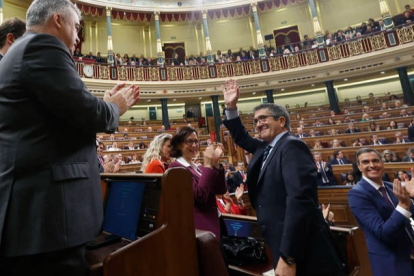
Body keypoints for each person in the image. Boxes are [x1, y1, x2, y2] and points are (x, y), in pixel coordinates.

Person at [0, 1, 141, 275]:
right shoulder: (43, 47)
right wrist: (115, 107)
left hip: (33, 220)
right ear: (57, 21)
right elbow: (90, 114)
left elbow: (68, 114)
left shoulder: (20, 51)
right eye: (76, 27)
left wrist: (101, 105)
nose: (78, 37)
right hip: (48, 222)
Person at [221, 79, 343, 275]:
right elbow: (241, 137)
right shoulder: (265, 148)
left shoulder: (291, 146)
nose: (258, 124)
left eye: (263, 119)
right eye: (255, 121)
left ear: (281, 121)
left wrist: (288, 256)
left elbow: (299, 201)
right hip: (283, 240)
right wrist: (231, 107)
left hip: (301, 248)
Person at [348, 148, 414, 276]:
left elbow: (411, 212)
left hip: (409, 252)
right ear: (359, 166)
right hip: (390, 261)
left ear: (382, 163)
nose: (372, 165)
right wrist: (403, 206)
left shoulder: (390, 187)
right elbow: (383, 233)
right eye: (366, 162)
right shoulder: (357, 194)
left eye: (375, 161)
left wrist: (413, 196)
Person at [168, 127, 226, 240]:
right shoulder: (176, 168)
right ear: (179, 145)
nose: (194, 145)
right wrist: (208, 165)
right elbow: (200, 196)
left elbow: (220, 190)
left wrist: (215, 164)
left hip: (216, 222)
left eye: (196, 141)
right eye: (189, 141)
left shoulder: (197, 168)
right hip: (201, 228)